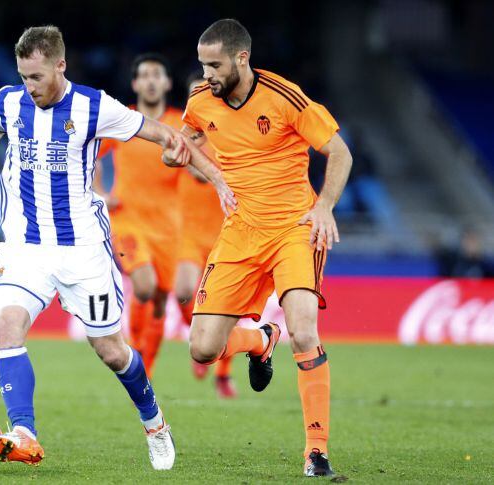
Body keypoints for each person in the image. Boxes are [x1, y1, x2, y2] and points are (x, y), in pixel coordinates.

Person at [0, 25, 234, 471]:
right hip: (25, 247)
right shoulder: (10, 101)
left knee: (112, 351)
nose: (28, 87)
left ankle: (154, 423)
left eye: (36, 77)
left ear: (60, 65)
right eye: (22, 76)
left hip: (83, 251)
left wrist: (201, 165)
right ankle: (23, 433)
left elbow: (155, 131)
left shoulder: (94, 106)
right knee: (7, 323)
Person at [172, 19, 352, 476]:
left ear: (241, 58)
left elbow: (340, 152)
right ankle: (259, 341)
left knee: (305, 330)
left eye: (214, 65)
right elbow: (188, 141)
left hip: (295, 228)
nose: (206, 74)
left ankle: (316, 451)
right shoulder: (199, 100)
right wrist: (204, 171)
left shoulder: (284, 96)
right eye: (202, 65)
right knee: (202, 349)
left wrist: (326, 206)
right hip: (240, 232)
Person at [93, 53, 184, 379]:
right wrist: (100, 193)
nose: (150, 80)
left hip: (169, 227)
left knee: (159, 300)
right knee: (144, 286)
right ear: (134, 83)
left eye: (156, 74)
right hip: (127, 221)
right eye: (143, 75)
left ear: (167, 82)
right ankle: (131, 350)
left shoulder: (180, 123)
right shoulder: (125, 121)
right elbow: (91, 155)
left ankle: (145, 368)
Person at [175, 73, 237, 399]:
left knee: (227, 309)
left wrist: (189, 159)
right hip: (189, 233)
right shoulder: (182, 134)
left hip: (224, 232)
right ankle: (196, 337)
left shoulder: (225, 133)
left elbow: (201, 176)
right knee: (184, 290)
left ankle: (223, 374)